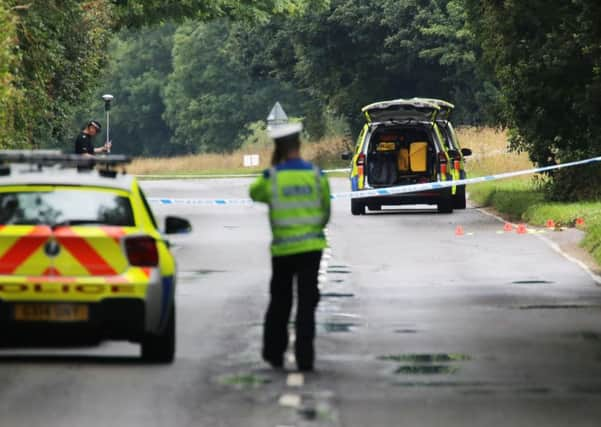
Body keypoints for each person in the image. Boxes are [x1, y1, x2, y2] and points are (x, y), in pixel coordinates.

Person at [249, 122, 331, 372]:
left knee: (280, 301)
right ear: (299, 145)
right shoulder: (316, 176)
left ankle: (274, 353)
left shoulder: (272, 177)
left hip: (283, 250)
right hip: (311, 249)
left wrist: (274, 166)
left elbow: (254, 193)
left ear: (278, 148)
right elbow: (325, 212)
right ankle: (305, 357)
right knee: (307, 302)